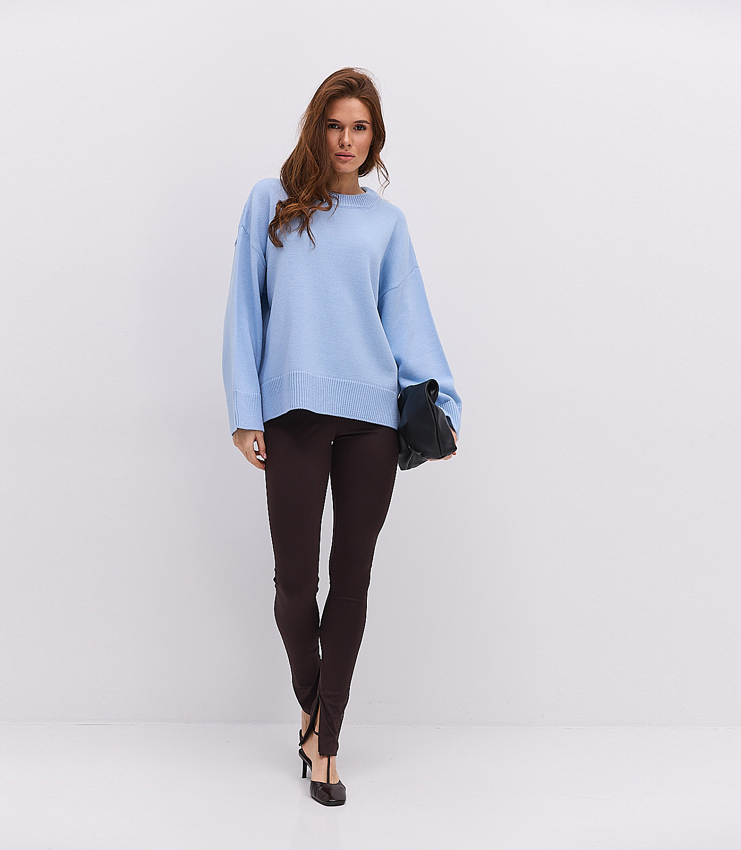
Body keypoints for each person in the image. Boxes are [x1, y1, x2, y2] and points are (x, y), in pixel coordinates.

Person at [221, 67, 462, 807]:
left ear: (374, 137)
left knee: (351, 580)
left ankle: (326, 741)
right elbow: (244, 308)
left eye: (360, 128)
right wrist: (246, 410)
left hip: (371, 421)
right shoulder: (271, 202)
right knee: (294, 585)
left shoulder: (388, 224)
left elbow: (407, 319)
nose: (346, 140)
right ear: (316, 129)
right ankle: (311, 702)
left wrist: (444, 404)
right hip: (292, 411)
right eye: (335, 125)